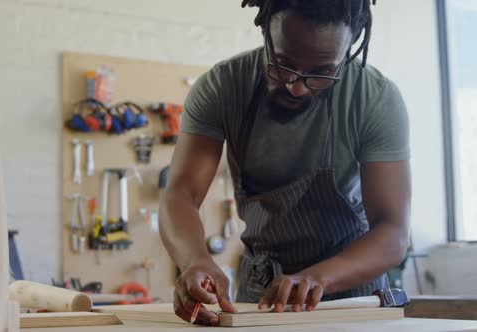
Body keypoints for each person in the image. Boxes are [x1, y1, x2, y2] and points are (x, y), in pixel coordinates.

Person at [158, 0, 411, 326]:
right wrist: (194, 261)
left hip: (352, 294)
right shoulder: (223, 87)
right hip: (263, 293)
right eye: (282, 65)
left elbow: (392, 231)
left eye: (321, 73)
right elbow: (181, 194)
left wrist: (317, 278)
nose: (297, 87)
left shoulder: (375, 98)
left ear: (349, 48)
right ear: (265, 31)